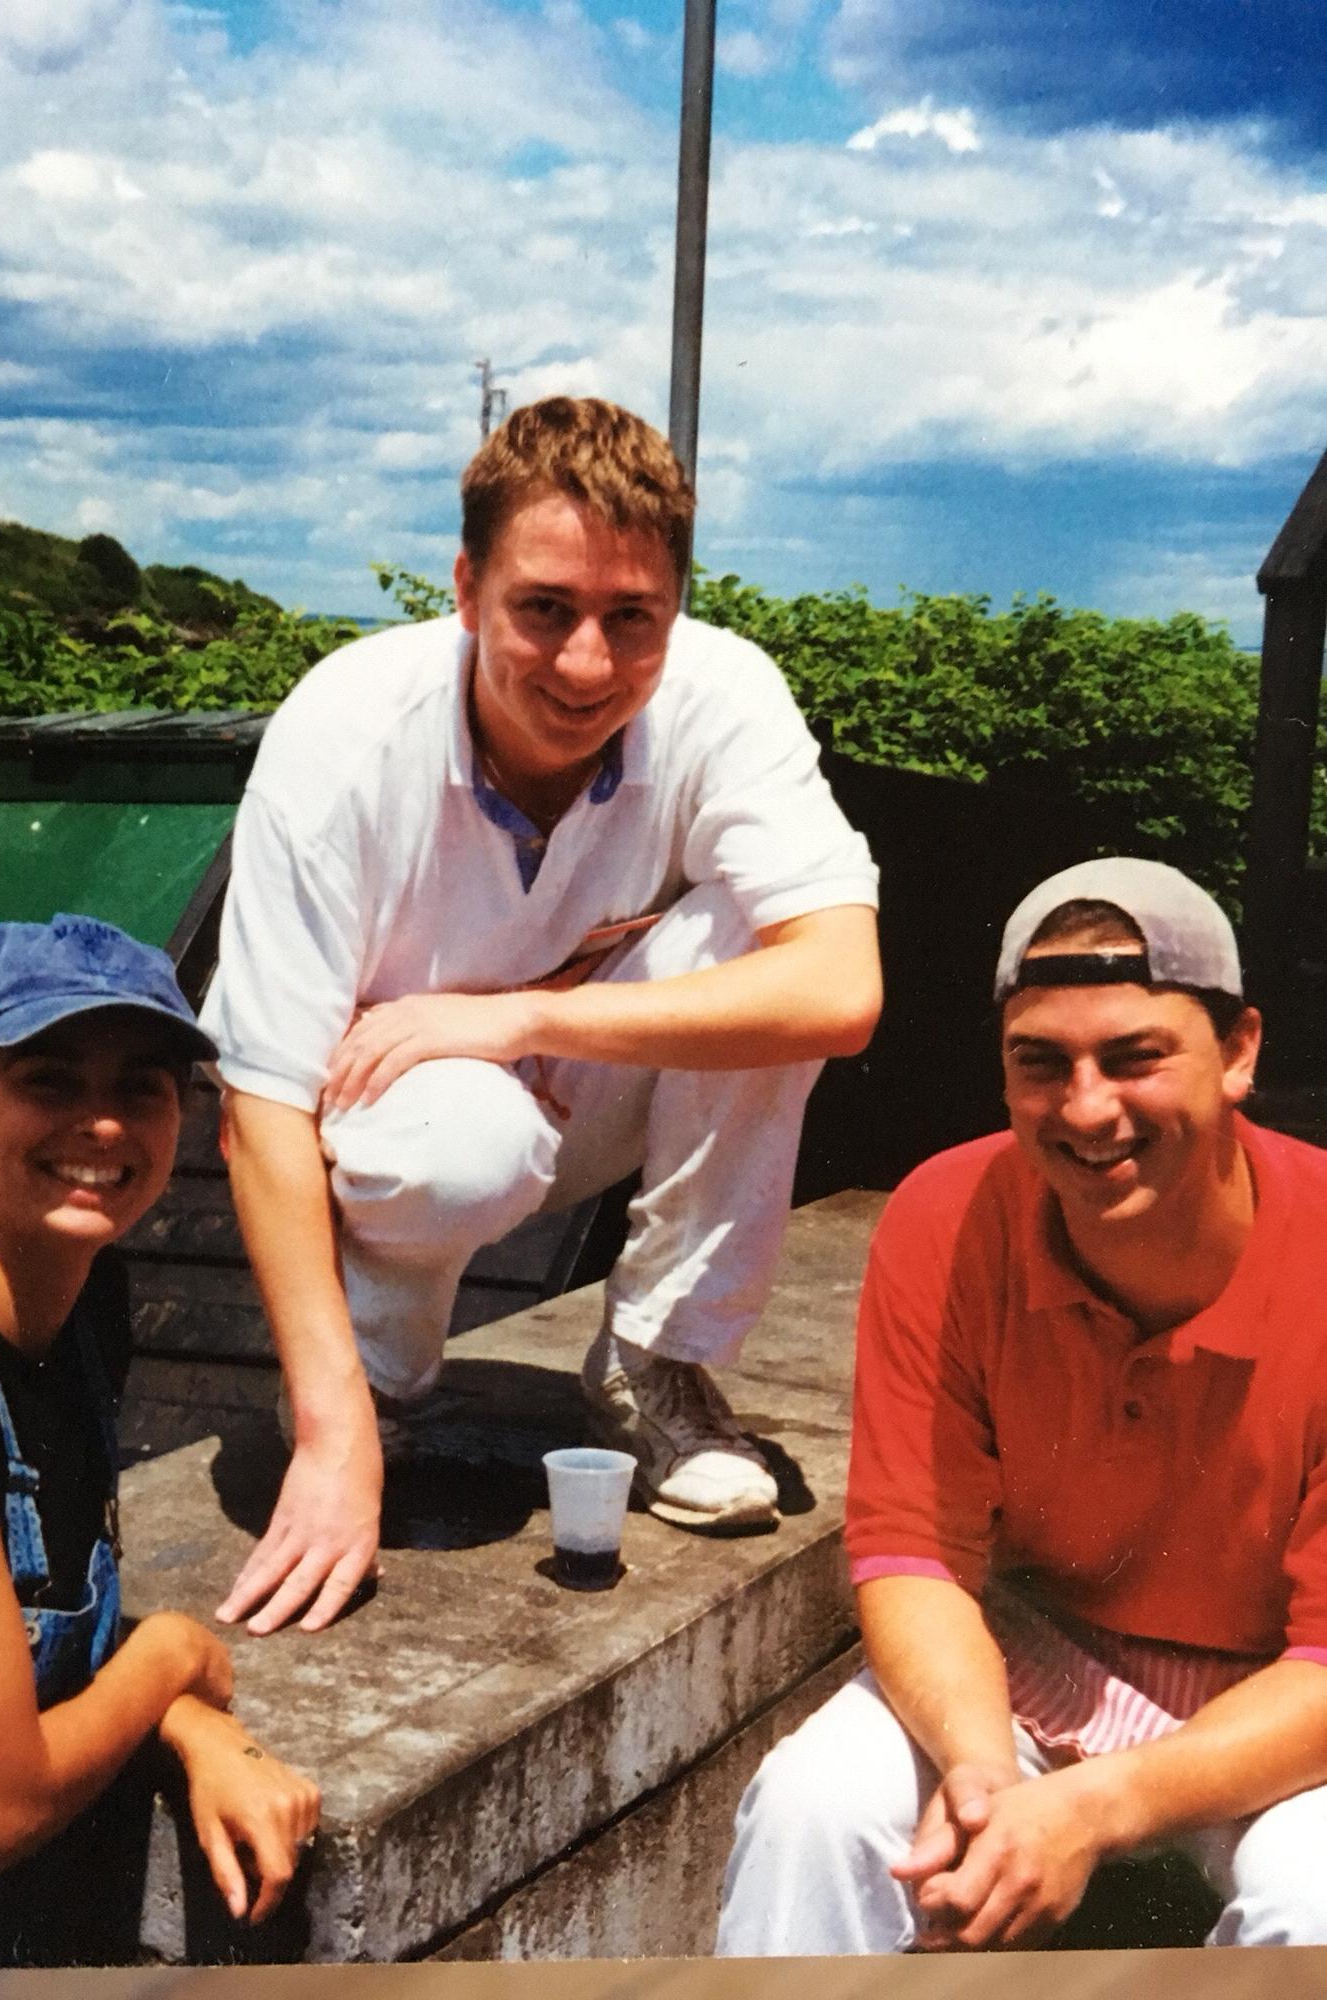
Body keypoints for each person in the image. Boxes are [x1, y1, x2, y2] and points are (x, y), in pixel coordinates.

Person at [201, 395, 882, 1637]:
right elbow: (259, 1100)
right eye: (544, 608)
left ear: (679, 603)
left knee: (759, 940)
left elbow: (841, 986)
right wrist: (328, 1422)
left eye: (634, 617)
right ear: (465, 588)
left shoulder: (725, 692)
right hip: (399, 1123)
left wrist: (525, 1020)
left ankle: (654, 1362)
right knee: (458, 1139)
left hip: (565, 1076)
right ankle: (387, 1383)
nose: (586, 663)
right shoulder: (344, 730)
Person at [717, 857, 1327, 1955]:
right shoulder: (947, 1212)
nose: (1087, 1108)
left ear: (1238, 1052)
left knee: (1318, 1898)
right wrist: (982, 1772)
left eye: (1136, 1057)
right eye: (1041, 1062)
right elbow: (911, 1549)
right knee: (817, 1807)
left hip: (1275, 1695)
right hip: (1032, 1652)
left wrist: (1095, 1808)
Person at [0, 914, 319, 1970]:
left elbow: (25, 1670)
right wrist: (174, 1653)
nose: (103, 1124)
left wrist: (190, 1724)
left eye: (141, 1085)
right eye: (51, 1080)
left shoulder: (88, 1307)